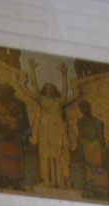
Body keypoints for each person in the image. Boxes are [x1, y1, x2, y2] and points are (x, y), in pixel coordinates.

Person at [25, 59, 72, 188]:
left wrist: (64, 74)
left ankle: (61, 180)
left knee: (59, 154)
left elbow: (65, 90)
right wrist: (32, 69)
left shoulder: (58, 101)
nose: (49, 90)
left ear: (54, 90)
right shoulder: (42, 99)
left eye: (51, 89)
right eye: (47, 88)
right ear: (44, 90)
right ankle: (46, 180)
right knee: (45, 154)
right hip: (45, 128)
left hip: (57, 129)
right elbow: (34, 85)